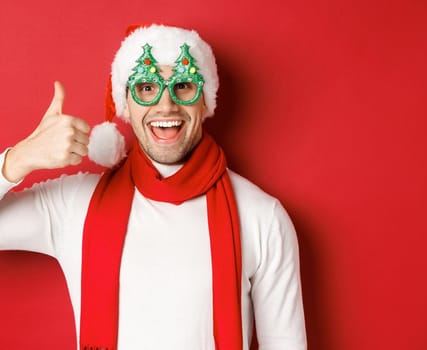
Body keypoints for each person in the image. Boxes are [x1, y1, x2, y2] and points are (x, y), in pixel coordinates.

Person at [0, 24, 306, 350]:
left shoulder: (262, 217)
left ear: (205, 100)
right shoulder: (73, 204)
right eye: (147, 87)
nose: (165, 106)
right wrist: (16, 161)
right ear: (125, 106)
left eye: (183, 85)